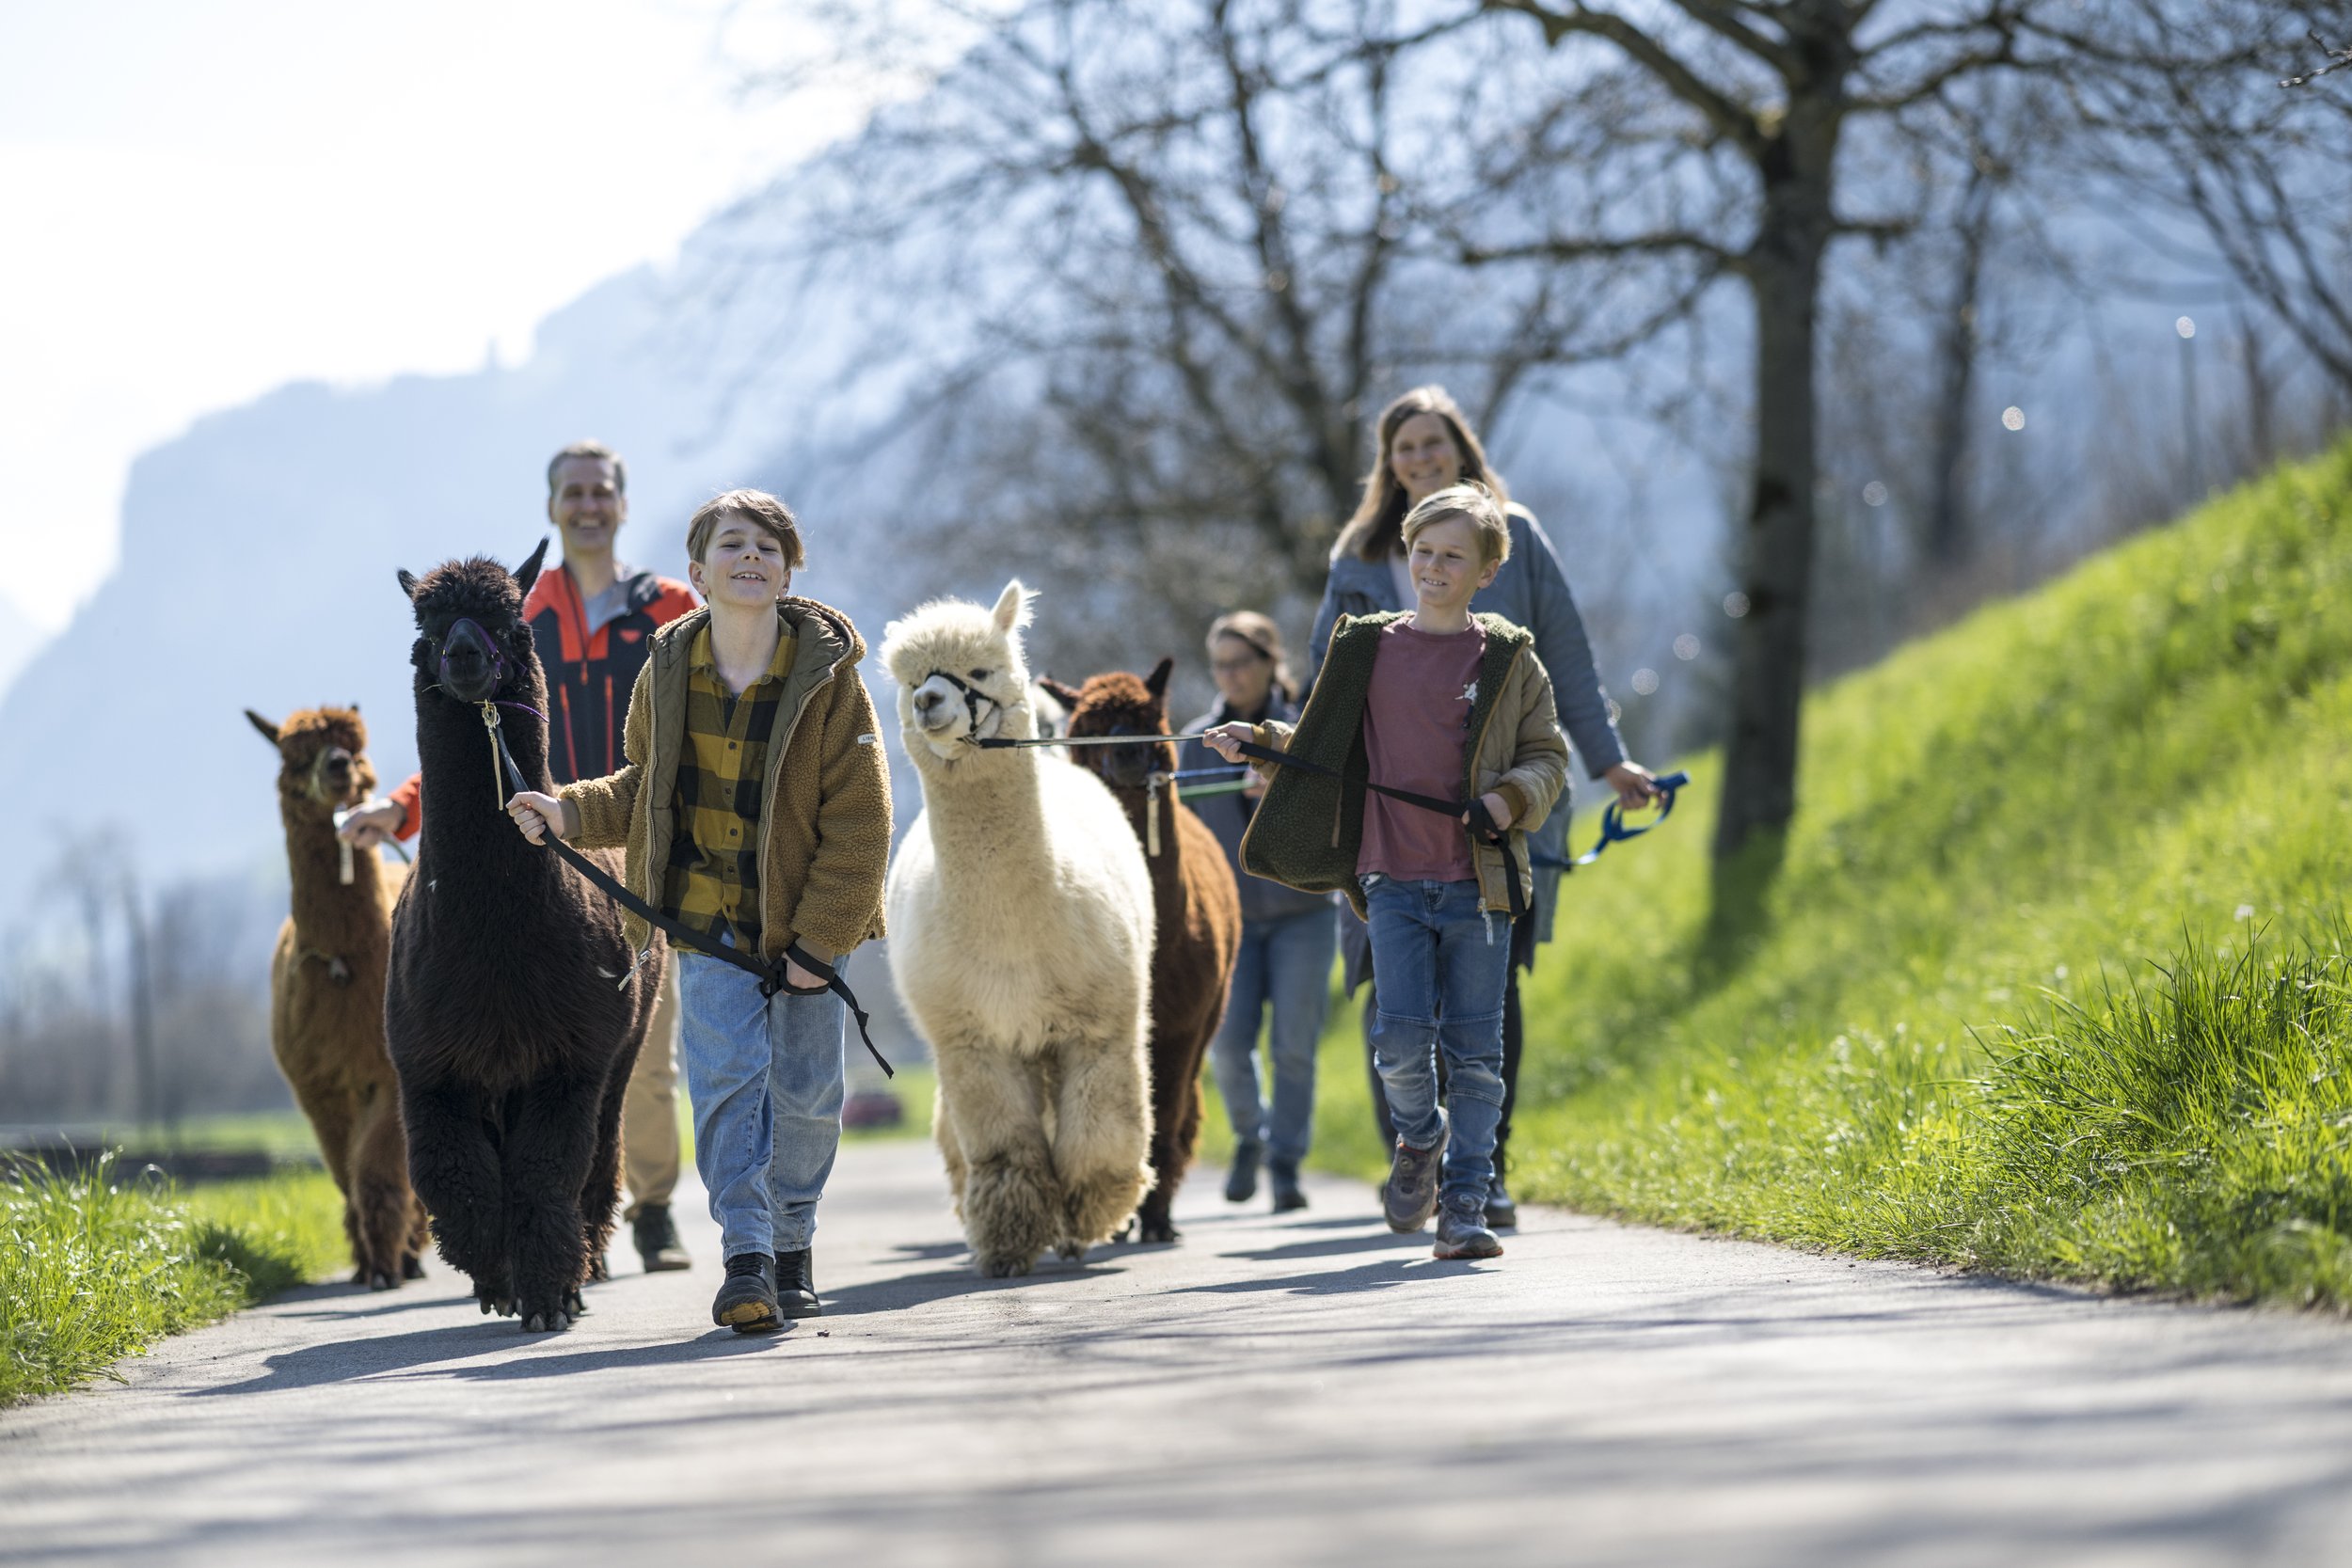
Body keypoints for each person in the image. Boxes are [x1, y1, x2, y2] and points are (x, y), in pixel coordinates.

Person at [504, 488, 892, 1333]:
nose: (750, 557)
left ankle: (794, 1246)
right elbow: (644, 788)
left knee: (806, 1101)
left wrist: (819, 945)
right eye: (732, 544)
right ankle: (747, 1258)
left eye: (768, 547)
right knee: (724, 1089)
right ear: (698, 571)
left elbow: (860, 826)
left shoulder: (831, 681)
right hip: (706, 924)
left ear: (789, 572)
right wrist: (565, 810)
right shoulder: (669, 667)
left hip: (805, 931)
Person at [342, 440, 703, 1274]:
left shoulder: (667, 606)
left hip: (631, 833)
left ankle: (642, 1212)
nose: (588, 504)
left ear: (619, 501)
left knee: (639, 1059)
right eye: (572, 491)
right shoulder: (513, 610)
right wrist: (400, 806)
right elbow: (466, 752)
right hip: (528, 832)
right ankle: (563, 1225)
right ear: (553, 506)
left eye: (600, 490)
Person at [1307, 387, 1657, 1229]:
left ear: (1460, 448)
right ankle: (1414, 1151)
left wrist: (1607, 761)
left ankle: (1483, 1172)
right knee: (1391, 1002)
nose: (1420, 457)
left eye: (1433, 443)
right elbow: (1328, 676)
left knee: (1487, 1003)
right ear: (1388, 466)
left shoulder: (1518, 537)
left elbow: (1564, 655)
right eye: (1404, 448)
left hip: (1493, 826)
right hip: (1385, 828)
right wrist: (1284, 757)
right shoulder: (1358, 556)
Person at [1206, 483, 1568, 1260]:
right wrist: (1260, 738)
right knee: (1401, 1044)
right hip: (1390, 880)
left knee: (1476, 1054)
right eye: (1423, 552)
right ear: (1406, 555)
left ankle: (1465, 1201)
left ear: (1487, 570)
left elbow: (1549, 757)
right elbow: (1319, 738)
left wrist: (1508, 801)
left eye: (1453, 557)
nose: (1434, 568)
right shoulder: (1366, 643)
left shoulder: (1510, 658)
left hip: (1481, 885)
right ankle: (1420, 1138)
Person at [1176, 612, 1338, 1213]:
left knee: (1294, 1047)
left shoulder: (1307, 730)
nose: (1231, 674)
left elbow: (1336, 808)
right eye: (1221, 664)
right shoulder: (1197, 743)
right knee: (1227, 1044)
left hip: (1304, 909)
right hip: (1232, 922)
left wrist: (1282, 781)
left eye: (1242, 662)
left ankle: (1287, 1166)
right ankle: (1252, 1136)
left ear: (1271, 662)